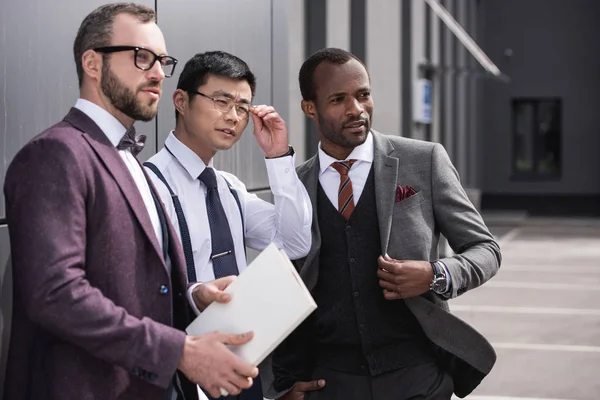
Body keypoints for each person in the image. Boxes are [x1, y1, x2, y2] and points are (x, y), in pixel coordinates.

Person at [2, 4, 258, 400]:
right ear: (92, 63)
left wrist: (192, 294)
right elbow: (55, 294)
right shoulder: (55, 153)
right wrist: (179, 351)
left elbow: (130, 285)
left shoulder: (131, 160)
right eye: (141, 57)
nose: (157, 72)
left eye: (162, 61)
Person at [267, 48, 502, 400]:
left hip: (418, 374)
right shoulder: (294, 186)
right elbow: (281, 288)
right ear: (310, 108)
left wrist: (435, 273)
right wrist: (281, 385)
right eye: (338, 99)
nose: (357, 109)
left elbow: (486, 250)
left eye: (363, 95)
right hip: (329, 382)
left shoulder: (422, 161)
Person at [144, 50, 312, 400]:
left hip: (242, 373)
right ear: (181, 101)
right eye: (221, 101)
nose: (233, 117)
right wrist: (194, 294)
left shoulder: (229, 187)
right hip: (182, 375)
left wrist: (278, 157)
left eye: (242, 107)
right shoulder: (147, 185)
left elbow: (295, 242)